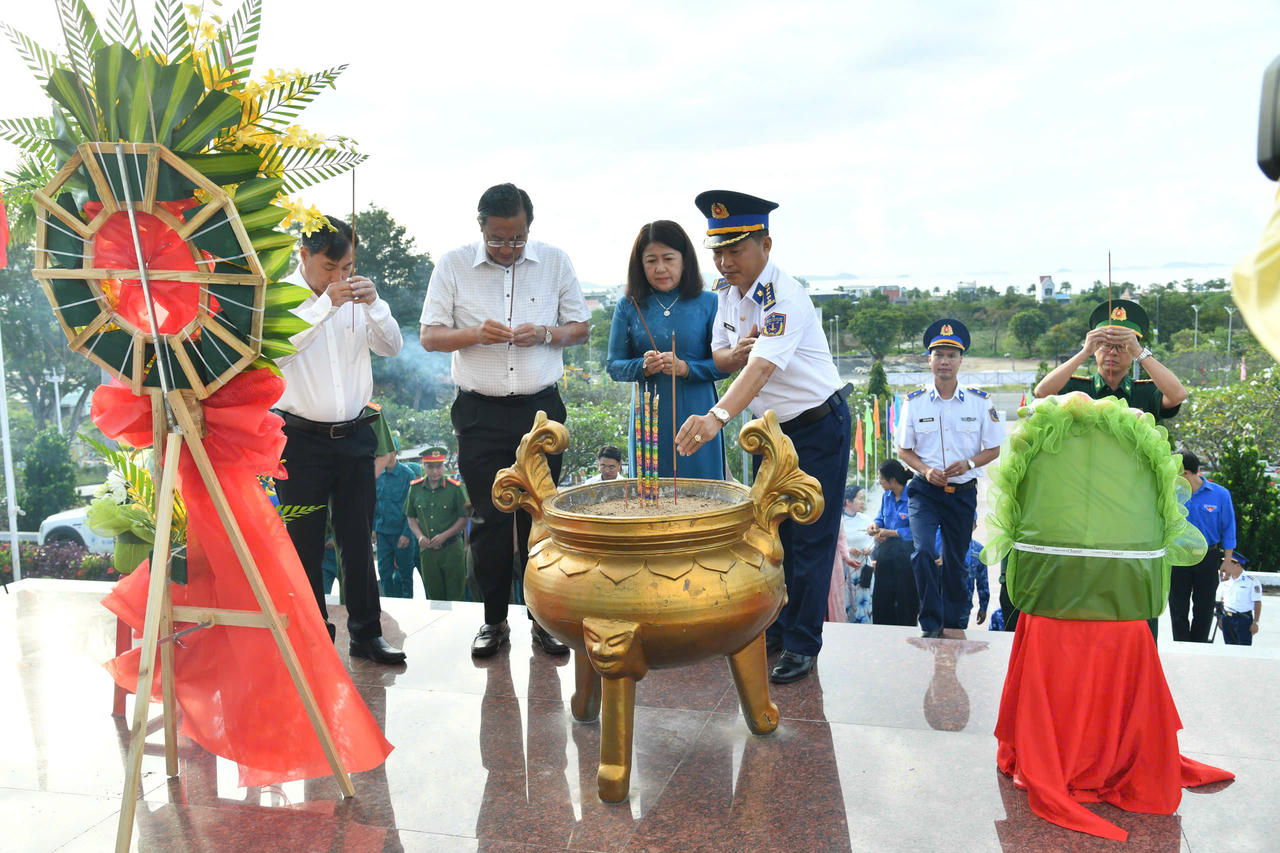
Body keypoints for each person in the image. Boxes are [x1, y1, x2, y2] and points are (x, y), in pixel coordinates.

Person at [675, 190, 851, 684]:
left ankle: (801, 644)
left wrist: (715, 417)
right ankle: (774, 627)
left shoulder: (783, 297)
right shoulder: (727, 295)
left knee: (811, 538)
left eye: (736, 249)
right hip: (769, 435)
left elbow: (761, 367)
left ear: (766, 245)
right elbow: (722, 351)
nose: (725, 262)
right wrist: (740, 355)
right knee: (771, 536)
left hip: (817, 427)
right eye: (718, 251)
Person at [420, 182, 589, 657]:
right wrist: (474, 334)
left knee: (542, 520)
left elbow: (580, 328)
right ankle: (494, 621)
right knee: (491, 520)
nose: (508, 249)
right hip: (480, 412)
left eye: (517, 239)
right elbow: (430, 337)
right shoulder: (453, 265)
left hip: (541, 414)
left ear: (529, 229)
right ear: (481, 227)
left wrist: (547, 333)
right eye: (498, 239)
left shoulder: (554, 261)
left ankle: (544, 620)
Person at [272, 216, 406, 664]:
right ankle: (314, 639)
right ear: (305, 255)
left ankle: (368, 634)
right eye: (331, 267)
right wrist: (325, 305)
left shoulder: (357, 297)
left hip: (354, 437)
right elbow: (279, 348)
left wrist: (375, 304)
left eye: (347, 267)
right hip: (298, 442)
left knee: (356, 537)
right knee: (304, 541)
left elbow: (392, 347)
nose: (341, 278)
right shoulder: (282, 297)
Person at [896, 319, 1003, 638]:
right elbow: (904, 450)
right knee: (924, 551)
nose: (944, 361)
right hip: (925, 493)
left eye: (951, 355)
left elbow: (994, 448)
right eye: (938, 354)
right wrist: (925, 470)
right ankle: (930, 622)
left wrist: (969, 462)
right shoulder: (914, 402)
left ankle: (956, 623)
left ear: (960, 360)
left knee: (957, 562)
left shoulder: (979, 402)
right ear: (929, 360)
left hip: (962, 493)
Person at [608, 220, 728, 480]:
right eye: (651, 260)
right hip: (649, 420)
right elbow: (613, 366)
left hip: (698, 413)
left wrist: (687, 368)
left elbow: (724, 367)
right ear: (640, 264)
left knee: (702, 497)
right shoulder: (628, 305)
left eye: (668, 258)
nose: (660, 268)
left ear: (685, 260)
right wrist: (640, 366)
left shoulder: (710, 303)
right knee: (653, 498)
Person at [1033, 298, 1187, 420]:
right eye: (1105, 345)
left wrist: (1140, 352)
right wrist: (1085, 352)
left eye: (1121, 347)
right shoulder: (1075, 388)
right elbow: (1042, 392)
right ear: (1095, 350)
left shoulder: (1146, 391)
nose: (1112, 352)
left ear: (1132, 353)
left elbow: (1178, 395)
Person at [1172, 450, 1237, 642]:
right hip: (1179, 556)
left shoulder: (1220, 495)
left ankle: (1199, 645)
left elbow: (1229, 528)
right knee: (1178, 606)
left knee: (1205, 606)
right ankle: (1182, 645)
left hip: (1207, 557)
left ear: (1185, 473)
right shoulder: (1170, 494)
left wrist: (1227, 560)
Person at [404, 446, 470, 601]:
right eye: (430, 467)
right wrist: (419, 536)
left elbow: (464, 518)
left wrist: (445, 535)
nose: (435, 471)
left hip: (452, 550)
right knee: (433, 597)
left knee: (456, 596)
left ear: (444, 465)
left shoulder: (456, 488)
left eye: (439, 466)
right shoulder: (415, 488)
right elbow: (411, 518)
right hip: (428, 552)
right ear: (423, 466)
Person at [867, 460, 918, 627]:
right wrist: (876, 526)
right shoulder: (886, 496)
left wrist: (891, 533)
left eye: (881, 478)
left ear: (893, 479)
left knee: (905, 600)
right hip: (886, 554)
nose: (879, 482)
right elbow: (880, 518)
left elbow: (917, 529)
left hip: (906, 557)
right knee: (883, 599)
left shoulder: (914, 496)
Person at [374, 439, 421, 599]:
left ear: (394, 453)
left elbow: (413, 508)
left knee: (405, 575)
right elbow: (374, 504)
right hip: (382, 533)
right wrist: (373, 528)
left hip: (401, 533)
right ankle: (390, 606)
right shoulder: (377, 474)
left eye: (384, 452)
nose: (380, 456)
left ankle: (407, 608)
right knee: (384, 573)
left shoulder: (407, 474)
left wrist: (407, 534)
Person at [934, 519, 989, 626]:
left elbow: (983, 581)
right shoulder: (938, 545)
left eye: (969, 523)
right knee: (934, 638)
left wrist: (983, 607)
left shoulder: (979, 550)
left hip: (963, 606)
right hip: (937, 603)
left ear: (975, 527)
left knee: (958, 637)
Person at [842, 485, 875, 624]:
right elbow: (835, 543)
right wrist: (848, 549)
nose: (862, 502)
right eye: (859, 499)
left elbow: (873, 539)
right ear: (848, 501)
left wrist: (869, 548)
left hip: (864, 566)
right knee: (847, 601)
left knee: (865, 600)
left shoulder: (866, 519)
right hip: (847, 569)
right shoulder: (839, 520)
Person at [1215, 553, 1262, 645]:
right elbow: (1220, 600)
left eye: (1228, 563)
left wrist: (1256, 622)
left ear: (1237, 565)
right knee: (1229, 647)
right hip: (1227, 619)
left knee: (1243, 649)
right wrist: (1219, 618)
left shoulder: (1251, 582)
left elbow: (1257, 603)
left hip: (1243, 620)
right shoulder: (1225, 581)